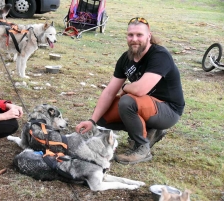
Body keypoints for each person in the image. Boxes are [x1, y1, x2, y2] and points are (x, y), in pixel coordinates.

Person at [75, 17, 185, 165]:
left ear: (149, 36)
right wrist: (92, 120)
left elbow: (140, 90)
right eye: (130, 35)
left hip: (168, 110)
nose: (134, 39)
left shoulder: (159, 55)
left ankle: (142, 148)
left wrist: (125, 87)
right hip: (145, 105)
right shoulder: (125, 59)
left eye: (139, 35)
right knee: (103, 116)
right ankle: (150, 131)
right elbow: (109, 91)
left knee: (127, 101)